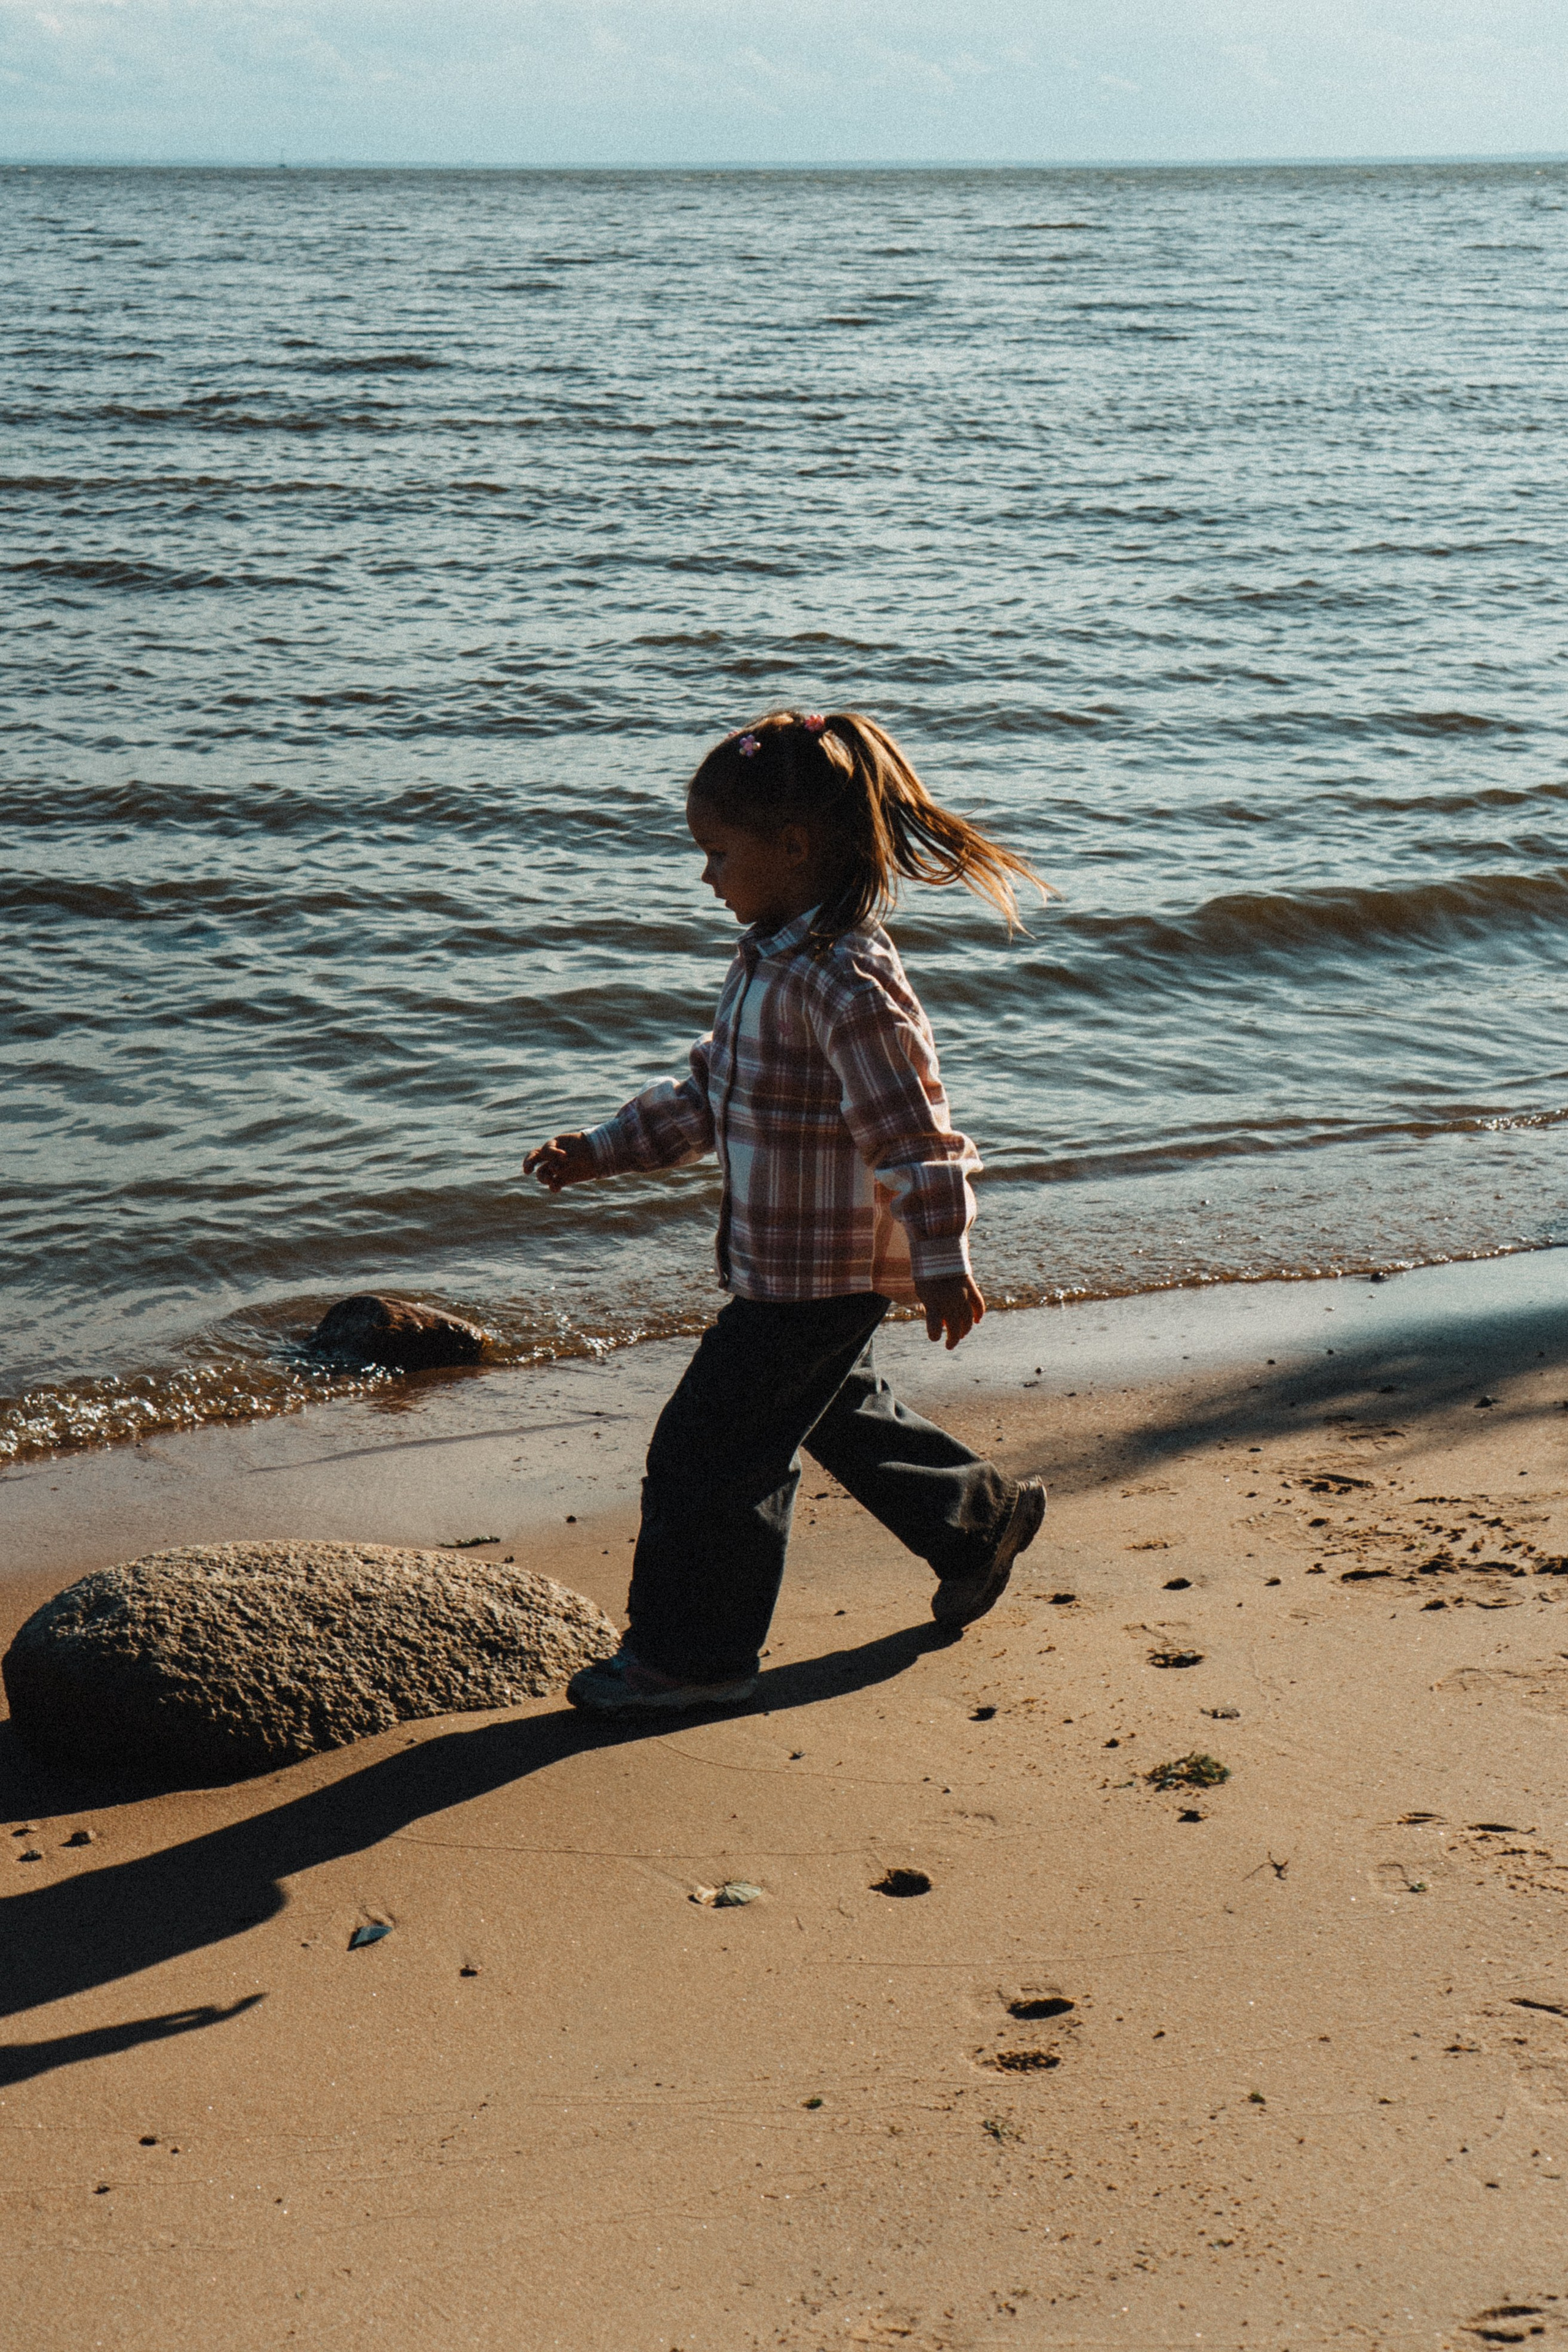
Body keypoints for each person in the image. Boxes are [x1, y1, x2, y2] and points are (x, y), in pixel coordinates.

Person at [524, 709, 1049, 1715]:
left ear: (796, 847)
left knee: (707, 1453)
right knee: (829, 1409)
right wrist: (602, 1150)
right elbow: (712, 1095)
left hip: (822, 1273)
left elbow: (915, 1132)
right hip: (791, 1264)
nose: (707, 877)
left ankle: (696, 1658)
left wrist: (942, 1251)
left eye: (719, 854)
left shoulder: (846, 980)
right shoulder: (770, 959)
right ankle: (977, 1521)